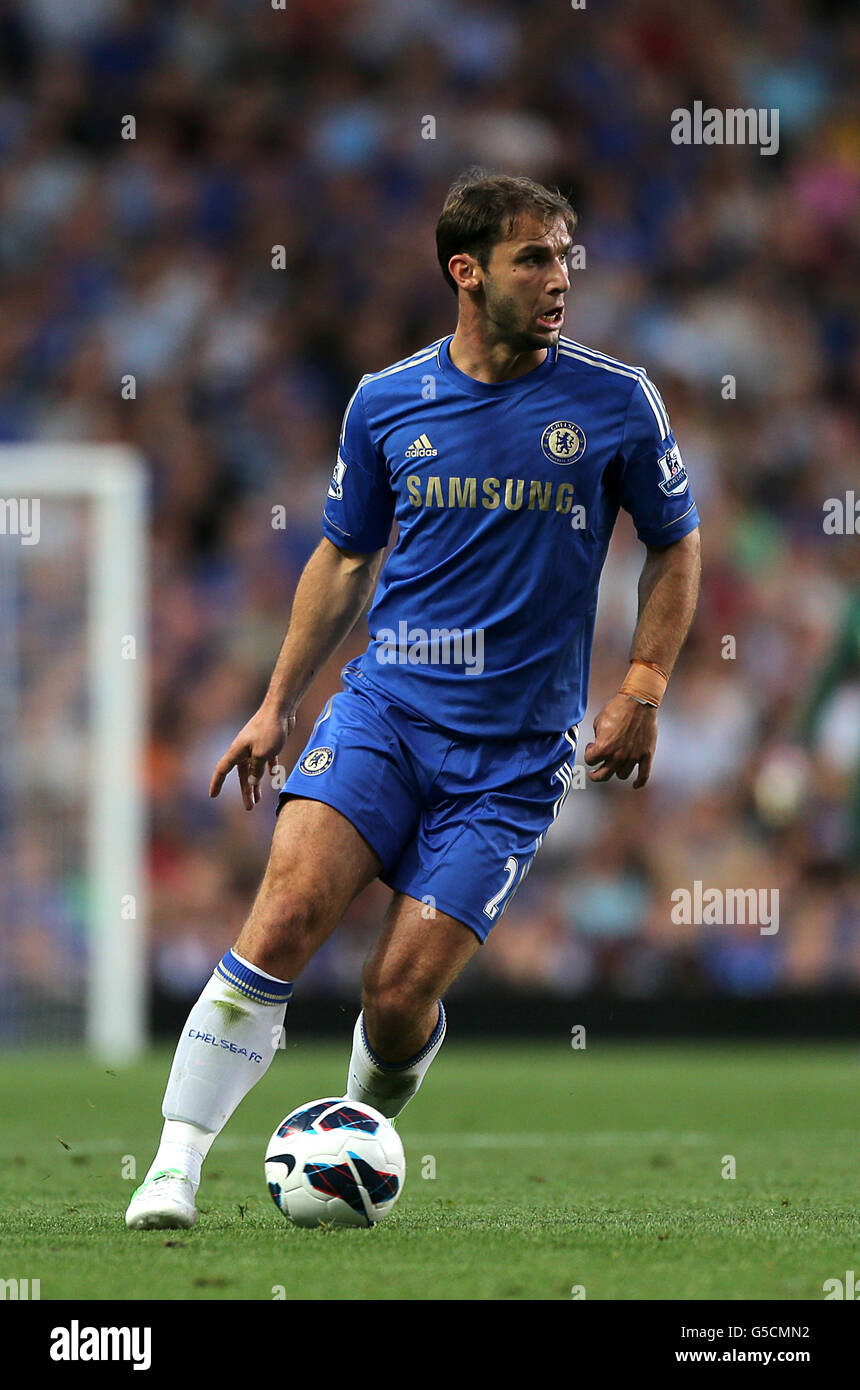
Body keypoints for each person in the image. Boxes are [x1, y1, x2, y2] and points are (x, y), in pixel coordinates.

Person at [126, 171, 701, 1229]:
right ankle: (173, 1165)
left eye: (565, 255)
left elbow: (674, 541)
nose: (559, 278)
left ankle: (351, 1127)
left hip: (517, 755)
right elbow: (343, 559)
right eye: (535, 257)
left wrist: (644, 684)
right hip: (384, 712)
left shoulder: (616, 401)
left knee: (396, 999)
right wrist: (274, 701)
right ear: (465, 270)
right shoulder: (386, 400)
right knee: (289, 912)